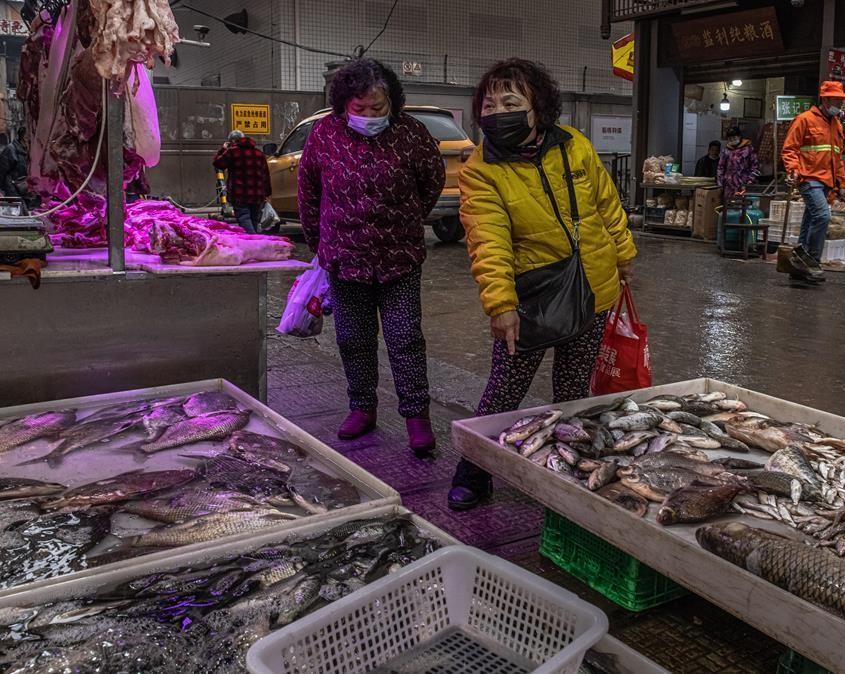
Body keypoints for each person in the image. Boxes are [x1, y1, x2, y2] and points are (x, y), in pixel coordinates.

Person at [447, 58, 637, 511]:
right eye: (489, 104)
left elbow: (606, 206)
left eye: (511, 102)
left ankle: (567, 467)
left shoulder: (575, 146)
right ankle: (473, 471)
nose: (497, 112)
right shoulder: (481, 169)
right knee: (504, 392)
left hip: (591, 290)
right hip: (529, 300)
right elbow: (487, 240)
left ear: (539, 109)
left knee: (573, 392)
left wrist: (624, 255)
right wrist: (500, 303)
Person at [298, 58, 446, 456]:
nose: (367, 115)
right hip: (344, 259)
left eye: (376, 108)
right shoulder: (323, 135)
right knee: (353, 339)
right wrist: (320, 243)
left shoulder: (412, 134)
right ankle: (362, 407)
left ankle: (417, 417)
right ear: (343, 104)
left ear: (392, 103)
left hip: (399, 258)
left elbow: (433, 182)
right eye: (358, 109)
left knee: (405, 339)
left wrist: (408, 220)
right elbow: (309, 192)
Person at [782, 80, 845, 266]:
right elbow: (790, 149)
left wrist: (841, 184)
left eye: (842, 101)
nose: (840, 105)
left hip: (826, 182)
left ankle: (799, 261)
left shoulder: (837, 125)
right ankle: (812, 260)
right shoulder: (804, 119)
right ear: (826, 100)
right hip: (809, 178)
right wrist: (793, 170)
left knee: (811, 218)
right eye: (837, 101)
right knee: (822, 216)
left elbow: (837, 157)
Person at [213, 129, 271, 233]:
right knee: (254, 220)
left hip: (240, 194)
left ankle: (254, 242)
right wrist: (267, 193)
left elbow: (217, 163)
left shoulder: (232, 152)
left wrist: (223, 149)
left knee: (244, 219)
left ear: (233, 141)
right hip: (257, 195)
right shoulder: (259, 154)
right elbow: (265, 175)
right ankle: (256, 244)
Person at [716, 126, 760, 200]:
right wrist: (720, 184)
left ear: (739, 136)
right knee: (728, 208)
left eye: (734, 137)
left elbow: (755, 166)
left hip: (744, 185)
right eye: (730, 138)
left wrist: (750, 181)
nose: (732, 140)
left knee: (743, 207)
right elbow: (720, 168)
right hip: (728, 187)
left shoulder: (748, 149)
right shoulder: (726, 150)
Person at [0, 127, 31, 202]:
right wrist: (5, 187)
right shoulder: (10, 149)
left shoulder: (30, 150)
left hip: (27, 189)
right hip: (13, 189)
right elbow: (1, 171)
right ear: (25, 137)